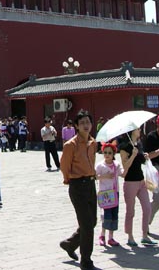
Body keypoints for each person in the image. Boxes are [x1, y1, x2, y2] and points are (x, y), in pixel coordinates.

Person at [59, 110, 97, 270]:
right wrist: (69, 179)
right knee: (87, 225)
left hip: (91, 184)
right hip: (77, 186)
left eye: (88, 122)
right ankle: (86, 261)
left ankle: (70, 244)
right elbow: (64, 166)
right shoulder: (71, 145)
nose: (85, 125)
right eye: (82, 123)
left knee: (92, 221)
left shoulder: (93, 142)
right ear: (76, 126)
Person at [120, 128, 156, 246]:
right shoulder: (124, 147)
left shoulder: (138, 144)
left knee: (147, 208)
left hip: (141, 181)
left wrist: (144, 156)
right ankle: (130, 236)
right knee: (130, 211)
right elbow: (125, 166)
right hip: (130, 182)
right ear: (132, 131)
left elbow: (140, 161)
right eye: (137, 129)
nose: (140, 130)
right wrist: (133, 155)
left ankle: (145, 235)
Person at [95, 142, 123, 247]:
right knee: (106, 215)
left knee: (114, 215)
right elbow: (94, 176)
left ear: (113, 154)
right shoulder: (100, 165)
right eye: (105, 152)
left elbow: (122, 173)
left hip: (115, 193)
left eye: (109, 153)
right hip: (105, 194)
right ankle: (102, 235)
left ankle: (111, 237)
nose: (107, 155)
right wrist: (105, 176)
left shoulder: (116, 164)